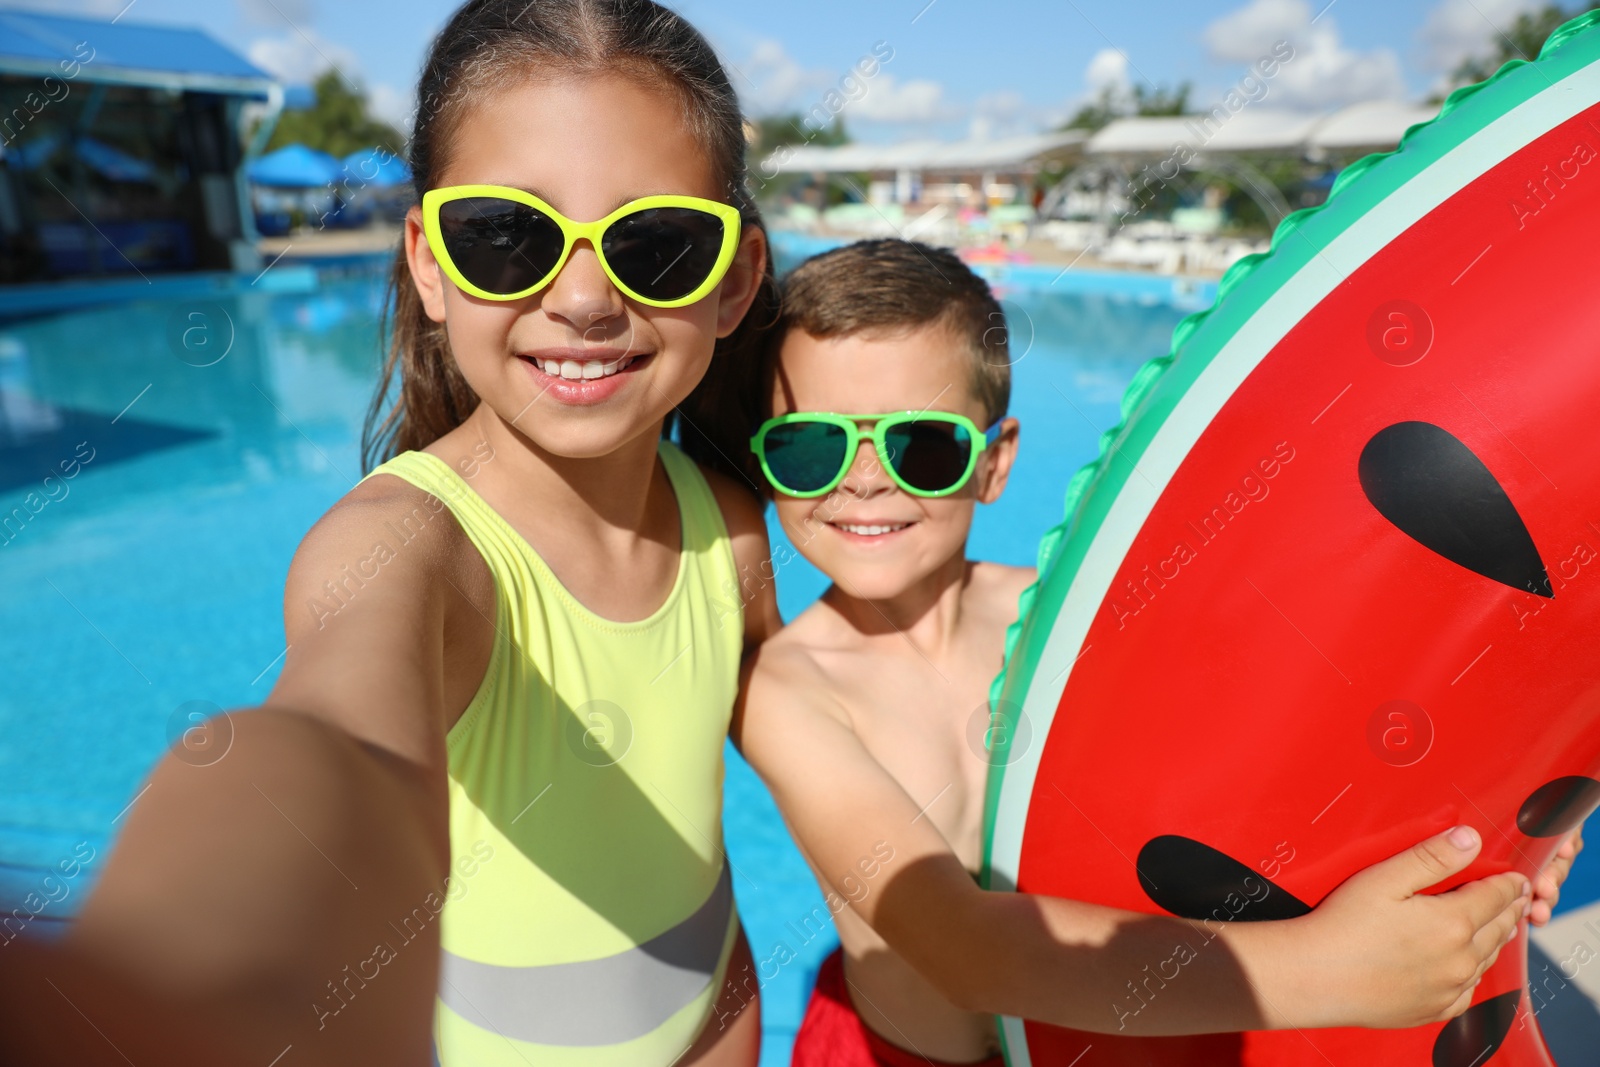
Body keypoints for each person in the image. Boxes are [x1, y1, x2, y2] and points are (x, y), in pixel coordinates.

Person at [0, 3, 780, 1065]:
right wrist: (205, 980)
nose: (587, 297)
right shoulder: (405, 546)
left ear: (733, 277)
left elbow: (718, 798)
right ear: (428, 261)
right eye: (506, 234)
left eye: (659, 244)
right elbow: (339, 752)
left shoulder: (726, 527)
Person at [735, 239, 1582, 1067]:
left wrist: (1503, 856)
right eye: (813, 447)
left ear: (996, 463)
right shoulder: (792, 692)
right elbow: (964, 950)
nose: (865, 479)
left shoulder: (1069, 621)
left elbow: (1291, 760)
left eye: (921, 446)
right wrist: (1330, 969)